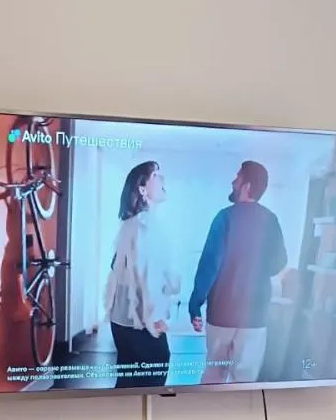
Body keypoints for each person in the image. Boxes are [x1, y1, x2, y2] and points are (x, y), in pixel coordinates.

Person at [189, 160, 288, 385]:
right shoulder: (271, 220)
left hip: (221, 315)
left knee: (213, 376)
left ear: (247, 186)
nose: (233, 182)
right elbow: (278, 263)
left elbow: (209, 265)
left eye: (237, 178)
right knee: (244, 380)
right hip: (255, 317)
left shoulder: (224, 217)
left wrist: (195, 304)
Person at [104, 161, 180, 389]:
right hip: (140, 323)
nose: (162, 180)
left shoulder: (133, 224)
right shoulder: (146, 225)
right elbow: (144, 276)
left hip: (125, 322)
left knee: (128, 385)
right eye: (156, 175)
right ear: (142, 189)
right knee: (149, 381)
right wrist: (154, 318)